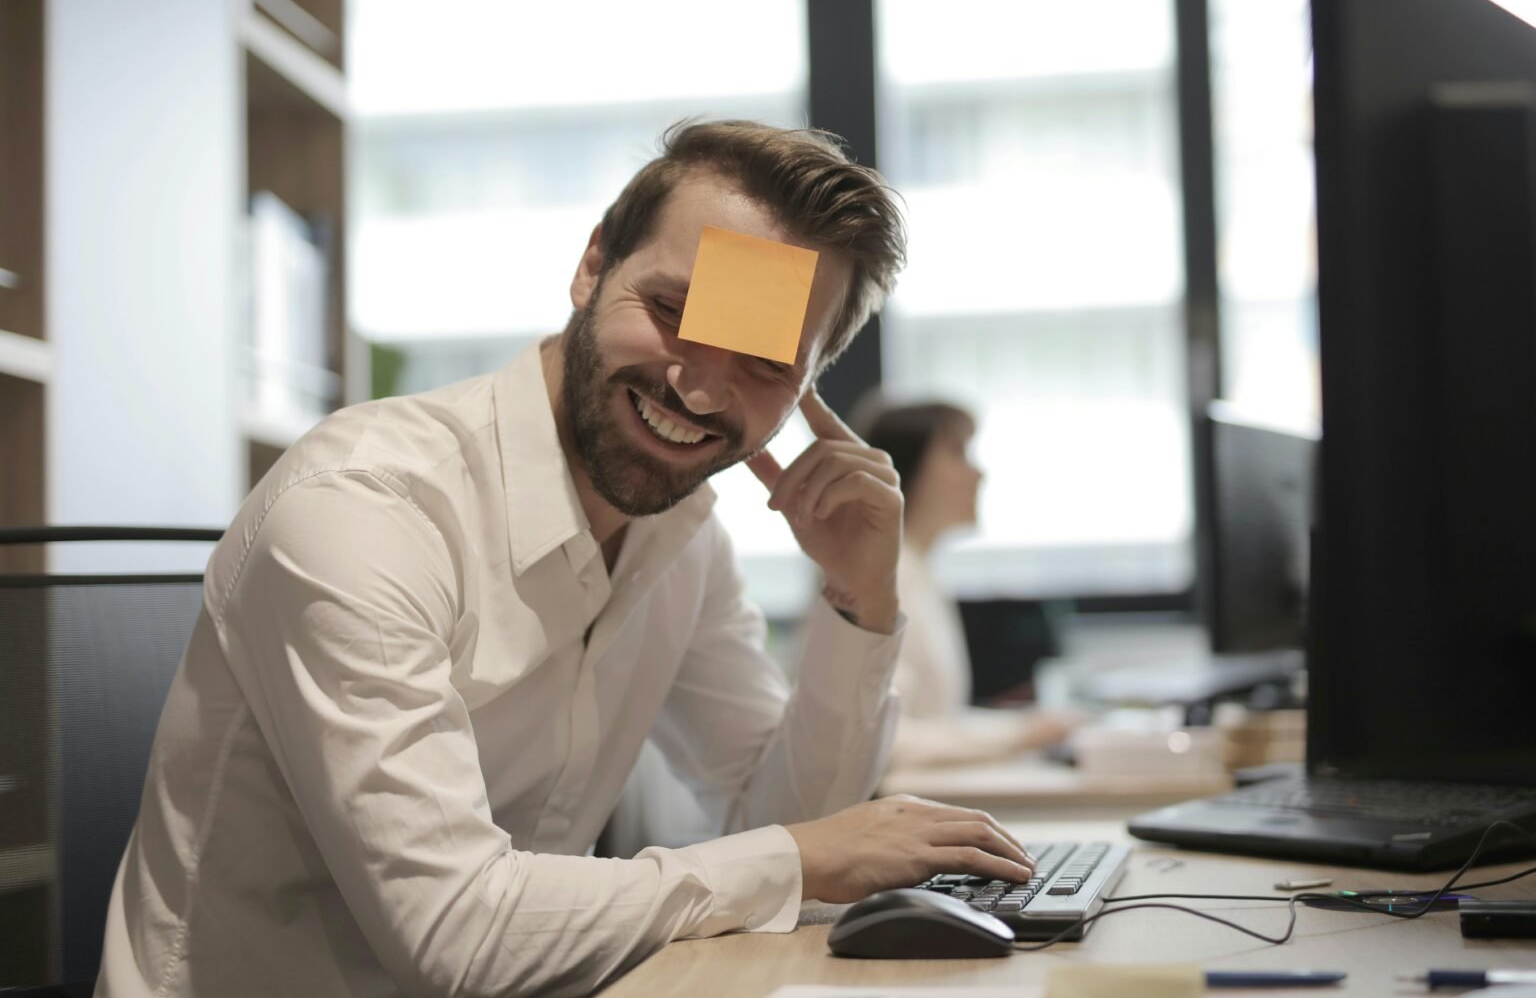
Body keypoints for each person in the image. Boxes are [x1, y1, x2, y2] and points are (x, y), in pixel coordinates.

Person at [96, 121, 1035, 998]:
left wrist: (860, 598)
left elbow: (792, 822)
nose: (702, 386)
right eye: (673, 310)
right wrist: (799, 858)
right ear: (592, 266)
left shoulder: (683, 536)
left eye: (766, 361)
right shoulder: (369, 508)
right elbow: (454, 930)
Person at [859, 400, 1077, 768]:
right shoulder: (879, 579)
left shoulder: (916, 572)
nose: (979, 474)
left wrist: (1032, 725)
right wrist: (1022, 734)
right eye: (958, 453)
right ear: (905, 467)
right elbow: (887, 740)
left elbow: (938, 721)